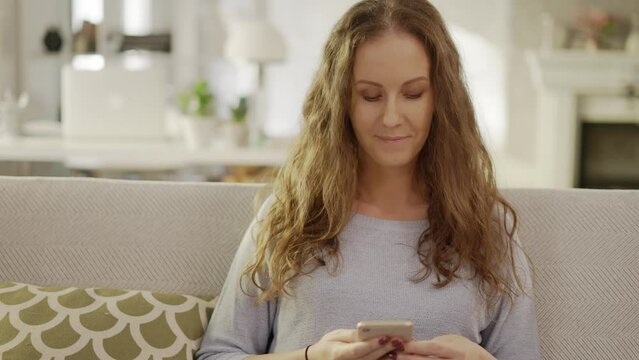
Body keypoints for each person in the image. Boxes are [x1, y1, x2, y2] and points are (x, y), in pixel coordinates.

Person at [196, 0, 540, 359]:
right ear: (341, 101)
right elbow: (218, 353)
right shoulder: (290, 216)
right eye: (371, 96)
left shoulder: (488, 228)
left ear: (441, 100)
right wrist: (313, 357)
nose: (392, 117)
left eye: (413, 94)